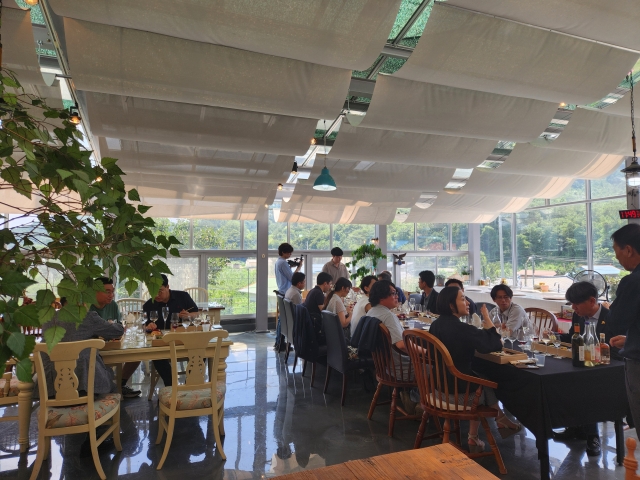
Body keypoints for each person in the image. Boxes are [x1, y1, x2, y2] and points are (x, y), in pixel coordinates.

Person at [429, 286, 520, 452]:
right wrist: (487, 318)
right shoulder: (463, 329)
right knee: (486, 383)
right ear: (451, 305)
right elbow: (495, 344)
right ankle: (496, 421)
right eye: (462, 299)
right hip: (458, 395)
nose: (468, 302)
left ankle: (480, 432)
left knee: (481, 377)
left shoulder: (435, 325)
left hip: (438, 387)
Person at [555, 281, 612, 455]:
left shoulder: (611, 317)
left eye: (576, 304)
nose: (573, 308)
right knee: (560, 381)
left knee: (585, 388)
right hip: (583, 365)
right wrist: (555, 337)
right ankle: (574, 427)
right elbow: (573, 337)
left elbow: (615, 348)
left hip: (606, 371)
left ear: (592, 301)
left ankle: (592, 436)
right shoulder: (578, 316)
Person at [41, 309, 124, 396]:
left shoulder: (48, 319)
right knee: (112, 383)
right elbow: (118, 331)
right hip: (87, 392)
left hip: (51, 393)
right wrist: (111, 323)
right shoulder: (87, 316)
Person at [607, 224, 640, 432]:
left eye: (617, 252)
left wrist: (609, 308)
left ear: (628, 249)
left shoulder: (633, 282)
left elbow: (615, 322)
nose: (617, 258)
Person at [89, 277, 141, 398]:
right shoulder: (87, 307)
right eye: (107, 291)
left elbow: (118, 325)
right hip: (92, 349)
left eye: (112, 291)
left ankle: (120, 385)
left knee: (136, 353)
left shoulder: (112, 305)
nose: (111, 295)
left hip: (111, 343)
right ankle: (102, 388)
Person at [143, 274, 198, 387]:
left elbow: (196, 313)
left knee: (200, 352)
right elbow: (145, 326)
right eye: (152, 291)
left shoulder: (182, 296)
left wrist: (188, 315)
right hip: (162, 342)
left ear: (167, 287)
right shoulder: (148, 305)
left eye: (160, 291)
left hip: (182, 339)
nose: (156, 295)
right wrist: (148, 326)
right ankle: (172, 387)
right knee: (157, 356)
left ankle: (190, 384)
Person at [367, 280, 412, 377]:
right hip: (401, 368)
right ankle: (418, 392)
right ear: (381, 297)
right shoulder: (388, 316)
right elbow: (401, 345)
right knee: (438, 365)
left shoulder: (371, 312)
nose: (397, 296)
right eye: (393, 293)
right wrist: (426, 351)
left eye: (397, 293)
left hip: (383, 365)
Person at [275, 243, 302, 349]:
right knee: (285, 319)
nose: (290, 254)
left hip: (282, 291)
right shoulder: (283, 263)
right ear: (283, 252)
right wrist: (299, 268)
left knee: (283, 319)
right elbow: (293, 279)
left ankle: (279, 342)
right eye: (289, 252)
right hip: (286, 291)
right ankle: (281, 342)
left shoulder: (278, 262)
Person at [303, 272, 333, 345]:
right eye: (330, 284)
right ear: (325, 283)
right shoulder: (318, 293)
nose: (330, 287)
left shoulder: (313, 291)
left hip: (310, 322)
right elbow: (323, 311)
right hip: (315, 324)